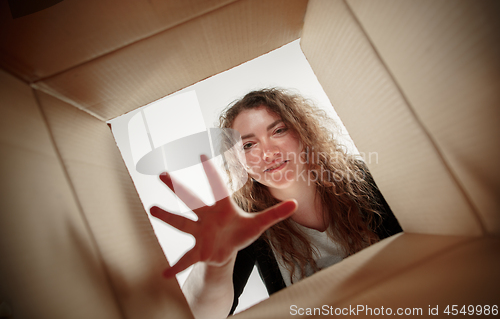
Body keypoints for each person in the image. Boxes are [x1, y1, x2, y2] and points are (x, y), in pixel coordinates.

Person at [150, 88, 401, 319]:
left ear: (304, 132)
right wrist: (215, 265)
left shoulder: (363, 180)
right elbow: (200, 314)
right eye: (248, 145)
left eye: (278, 130)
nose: (268, 152)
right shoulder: (245, 220)